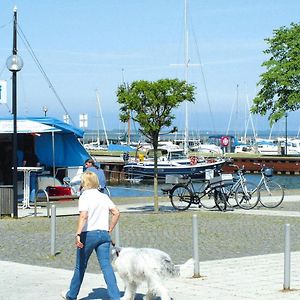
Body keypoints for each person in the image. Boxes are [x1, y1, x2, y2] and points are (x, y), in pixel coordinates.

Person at [62, 171, 120, 300]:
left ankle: (72, 295)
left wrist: (77, 234)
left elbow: (84, 216)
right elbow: (116, 212)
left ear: (84, 182)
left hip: (88, 234)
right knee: (106, 266)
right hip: (104, 234)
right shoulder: (104, 196)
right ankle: (115, 297)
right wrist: (109, 229)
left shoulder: (84, 196)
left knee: (80, 266)